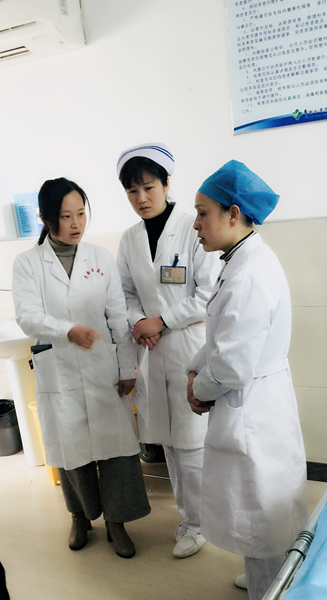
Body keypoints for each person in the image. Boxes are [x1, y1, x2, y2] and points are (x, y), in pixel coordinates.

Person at [187, 160, 308, 600]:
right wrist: (194, 368)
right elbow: (221, 333)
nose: (196, 224)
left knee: (261, 509)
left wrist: (197, 388)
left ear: (233, 214)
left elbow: (232, 366)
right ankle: (265, 574)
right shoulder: (241, 259)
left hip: (253, 407)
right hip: (255, 400)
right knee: (259, 506)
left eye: (203, 213)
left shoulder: (250, 274)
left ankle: (269, 587)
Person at [12, 178, 150, 559]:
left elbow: (118, 317)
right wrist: (68, 331)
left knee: (116, 450)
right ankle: (79, 516)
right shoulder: (27, 264)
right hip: (59, 371)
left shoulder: (100, 258)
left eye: (81, 214)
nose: (76, 224)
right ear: (45, 218)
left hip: (103, 369)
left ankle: (117, 522)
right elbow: (27, 316)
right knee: (70, 448)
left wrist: (127, 368)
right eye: (65, 216)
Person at [115, 143, 220, 558]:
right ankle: (191, 518)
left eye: (149, 187)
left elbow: (208, 293)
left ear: (166, 184)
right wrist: (141, 322)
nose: (141, 198)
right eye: (132, 191)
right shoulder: (129, 239)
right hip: (152, 350)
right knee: (171, 445)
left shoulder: (192, 228)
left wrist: (160, 321)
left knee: (192, 443)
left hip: (186, 347)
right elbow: (125, 293)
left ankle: (201, 524)